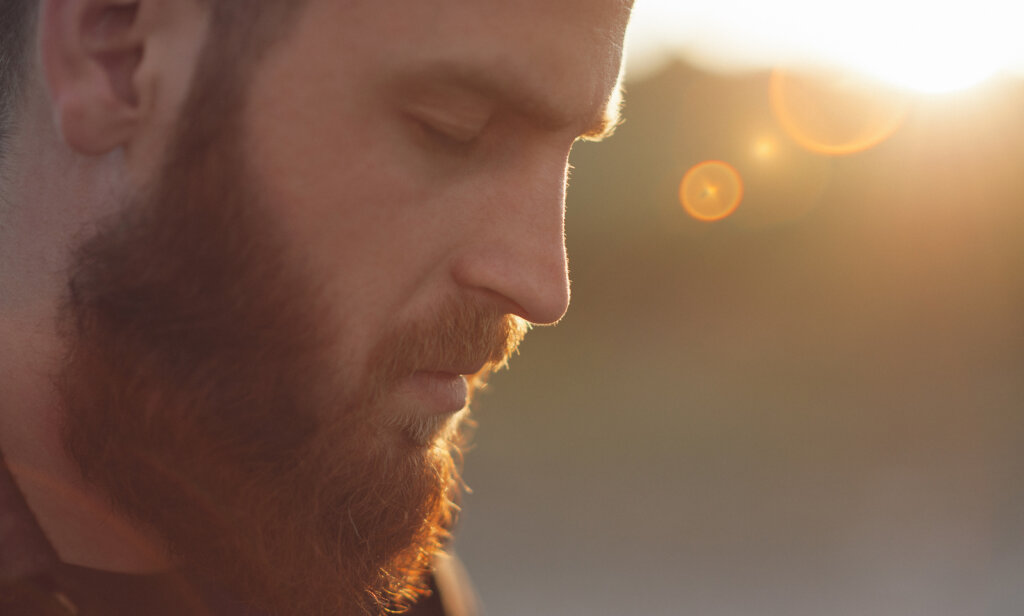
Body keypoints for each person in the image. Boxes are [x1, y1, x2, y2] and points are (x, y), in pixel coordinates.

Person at [0, 0, 633, 614]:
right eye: (451, 127)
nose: (545, 287)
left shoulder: (345, 564)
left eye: (571, 155)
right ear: (119, 53)